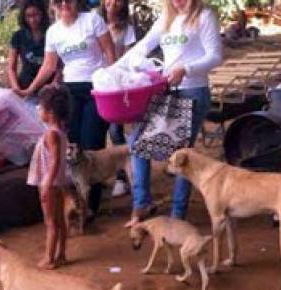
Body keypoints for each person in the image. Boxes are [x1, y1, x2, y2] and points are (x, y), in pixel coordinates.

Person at [120, 0, 223, 225]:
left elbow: (215, 56)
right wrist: (115, 68)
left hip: (193, 90)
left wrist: (186, 69)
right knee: (138, 142)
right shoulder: (166, 18)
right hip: (166, 91)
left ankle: (178, 214)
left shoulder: (204, 16)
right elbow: (143, 45)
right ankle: (141, 203)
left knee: (181, 153)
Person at [17, 0, 115, 218]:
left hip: (95, 88)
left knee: (91, 143)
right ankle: (75, 204)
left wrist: (112, 80)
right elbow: (49, 65)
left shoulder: (92, 20)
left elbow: (109, 52)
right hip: (69, 92)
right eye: (58, 2)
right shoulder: (53, 32)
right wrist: (29, 89)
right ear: (52, 6)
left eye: (67, 1)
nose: (64, 5)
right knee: (70, 145)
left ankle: (92, 205)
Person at [27, 86, 71, 270]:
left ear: (50, 112)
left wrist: (45, 184)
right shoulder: (60, 131)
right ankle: (61, 254)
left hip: (49, 183)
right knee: (60, 220)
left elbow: (54, 161)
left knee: (51, 222)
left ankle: (49, 258)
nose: (38, 110)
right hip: (57, 182)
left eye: (40, 107)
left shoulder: (51, 134)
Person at [100, 0, 136, 197]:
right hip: (96, 82)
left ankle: (123, 177)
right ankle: (97, 174)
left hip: (116, 84)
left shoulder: (127, 29)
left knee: (115, 131)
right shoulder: (95, 23)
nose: (112, 3)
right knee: (98, 131)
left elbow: (131, 55)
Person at [7, 0, 51, 109]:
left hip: (48, 89)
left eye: (36, 15)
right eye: (28, 16)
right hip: (25, 85)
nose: (32, 19)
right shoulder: (18, 36)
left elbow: (59, 66)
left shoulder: (52, 33)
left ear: (42, 14)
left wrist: (54, 84)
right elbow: (11, 67)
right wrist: (16, 88)